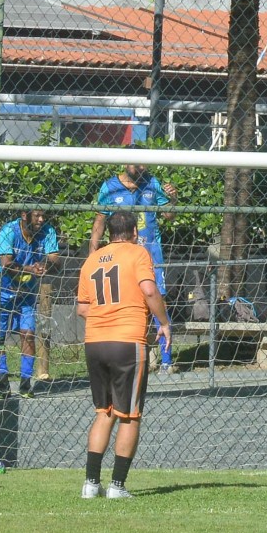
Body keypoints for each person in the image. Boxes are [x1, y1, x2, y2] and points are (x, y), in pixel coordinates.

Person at [76, 210, 170, 499]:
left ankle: (91, 484)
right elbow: (149, 291)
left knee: (104, 412)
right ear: (134, 232)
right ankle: (117, 486)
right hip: (126, 341)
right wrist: (164, 323)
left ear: (109, 233)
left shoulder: (92, 259)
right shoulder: (138, 253)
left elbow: (82, 308)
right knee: (129, 415)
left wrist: (106, 317)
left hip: (95, 341)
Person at [87, 162, 176, 370]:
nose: (142, 168)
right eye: (137, 164)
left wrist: (173, 199)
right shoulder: (110, 187)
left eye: (145, 164)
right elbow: (100, 220)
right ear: (127, 162)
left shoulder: (153, 183)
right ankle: (136, 356)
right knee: (128, 303)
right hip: (122, 257)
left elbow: (168, 215)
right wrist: (92, 254)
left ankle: (166, 361)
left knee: (158, 300)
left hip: (150, 255)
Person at [0, 208, 58, 397]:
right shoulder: (9, 231)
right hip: (2, 290)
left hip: (27, 293)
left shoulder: (48, 231)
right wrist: (30, 269)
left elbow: (55, 261)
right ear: (24, 215)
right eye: (37, 215)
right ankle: (2, 382)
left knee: (28, 334)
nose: (41, 219)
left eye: (43, 215)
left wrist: (45, 265)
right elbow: (6, 263)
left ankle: (25, 384)